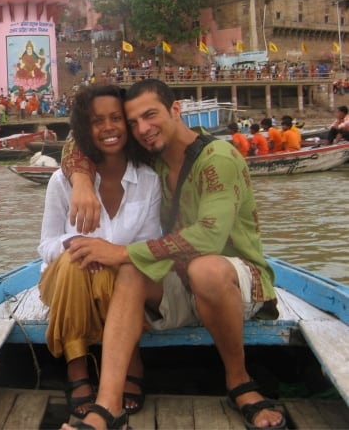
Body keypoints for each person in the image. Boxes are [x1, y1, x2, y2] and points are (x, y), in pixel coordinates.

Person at [60, 78, 283, 430]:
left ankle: (239, 381)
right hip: (179, 281)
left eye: (150, 116)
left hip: (237, 284)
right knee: (132, 270)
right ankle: (107, 407)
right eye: (133, 123)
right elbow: (77, 140)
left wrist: (121, 251)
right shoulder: (154, 156)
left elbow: (209, 236)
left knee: (203, 268)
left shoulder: (219, 158)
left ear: (176, 110)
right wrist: (83, 182)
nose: (142, 129)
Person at [39, 85, 161, 420]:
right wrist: (77, 246)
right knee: (73, 263)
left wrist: (110, 253)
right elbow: (46, 246)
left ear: (128, 124)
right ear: (84, 129)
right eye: (97, 121)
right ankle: (77, 368)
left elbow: (149, 246)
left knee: (122, 269)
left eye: (115, 118)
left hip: (121, 281)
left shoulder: (149, 180)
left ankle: (127, 356)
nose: (108, 127)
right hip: (67, 281)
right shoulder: (62, 183)